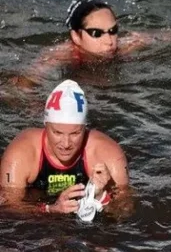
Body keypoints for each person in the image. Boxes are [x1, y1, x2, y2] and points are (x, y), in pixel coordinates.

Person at [0, 79, 129, 215]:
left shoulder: (108, 154)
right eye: (57, 133)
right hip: (36, 199)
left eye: (75, 133)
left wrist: (101, 197)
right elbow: (10, 208)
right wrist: (51, 209)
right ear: (46, 126)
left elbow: (125, 210)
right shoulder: (21, 153)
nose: (66, 144)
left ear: (85, 128)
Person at [11, 0, 171, 89]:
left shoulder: (125, 45)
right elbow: (25, 81)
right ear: (76, 36)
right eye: (96, 33)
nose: (109, 40)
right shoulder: (62, 54)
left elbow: (170, 36)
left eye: (113, 31)